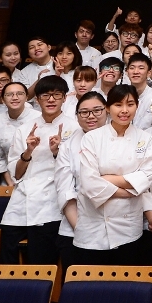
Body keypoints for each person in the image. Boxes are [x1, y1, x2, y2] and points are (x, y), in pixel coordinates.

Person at [71, 84, 152, 266]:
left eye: (130, 104)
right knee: (91, 289)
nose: (124, 110)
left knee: (125, 287)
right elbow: (89, 184)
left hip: (128, 228)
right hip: (93, 226)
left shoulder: (145, 139)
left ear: (137, 106)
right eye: (118, 105)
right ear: (108, 108)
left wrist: (106, 179)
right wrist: (131, 190)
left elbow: (146, 177)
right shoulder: (92, 138)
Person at [0, 75, 75, 265]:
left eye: (56, 95)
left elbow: (75, 172)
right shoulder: (25, 129)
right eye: (45, 95)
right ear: (37, 99)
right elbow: (16, 174)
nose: (51, 100)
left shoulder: (74, 127)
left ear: (64, 98)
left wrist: (58, 152)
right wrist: (28, 151)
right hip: (21, 200)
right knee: (6, 256)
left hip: (51, 202)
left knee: (39, 260)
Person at [55, 90, 109, 276]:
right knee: (77, 291)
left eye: (97, 110)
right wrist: (80, 228)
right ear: (77, 116)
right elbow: (65, 189)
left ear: (107, 111)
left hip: (115, 229)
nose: (90, 116)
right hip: (75, 227)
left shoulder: (120, 139)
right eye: (84, 112)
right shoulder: (68, 145)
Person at [0, 80, 39, 193]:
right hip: (9, 179)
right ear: (3, 100)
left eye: (20, 94)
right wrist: (11, 183)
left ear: (27, 97)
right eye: (9, 95)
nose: (15, 97)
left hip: (38, 176)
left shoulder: (39, 118)